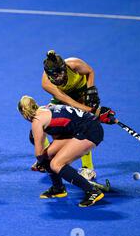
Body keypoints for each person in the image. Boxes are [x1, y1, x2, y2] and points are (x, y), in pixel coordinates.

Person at [17, 95, 116, 207]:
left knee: (56, 164)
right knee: (48, 157)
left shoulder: (37, 121)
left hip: (89, 132)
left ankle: (92, 191)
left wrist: (40, 163)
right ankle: (58, 189)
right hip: (85, 127)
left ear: (23, 113)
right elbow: (59, 139)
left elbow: (38, 154)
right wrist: (43, 160)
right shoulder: (47, 108)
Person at [37, 50, 102, 180]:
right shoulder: (46, 83)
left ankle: (88, 169)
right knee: (41, 122)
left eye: (59, 74)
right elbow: (68, 101)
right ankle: (47, 159)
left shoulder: (74, 64)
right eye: (53, 76)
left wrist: (90, 91)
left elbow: (90, 71)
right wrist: (91, 110)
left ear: (64, 68)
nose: (57, 78)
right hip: (65, 97)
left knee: (82, 128)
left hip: (81, 92)